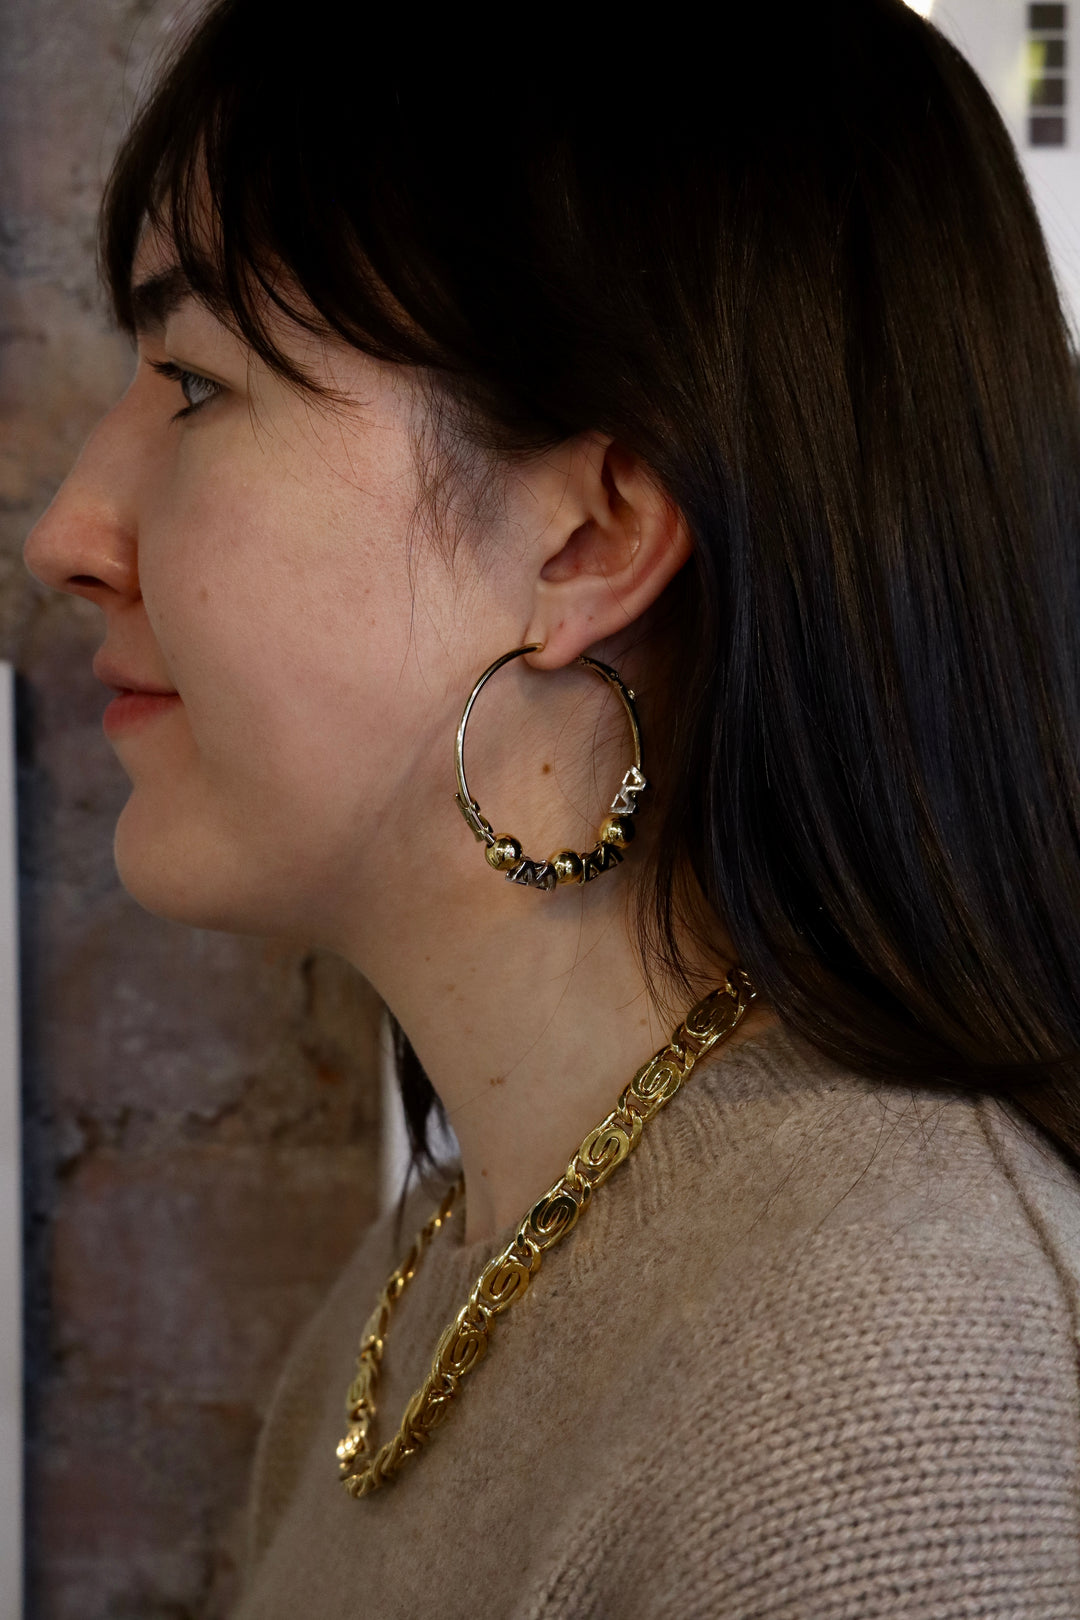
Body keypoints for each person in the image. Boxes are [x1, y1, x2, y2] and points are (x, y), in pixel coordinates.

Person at [23, 0, 1080, 1613]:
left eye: (192, 384)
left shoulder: (888, 1395)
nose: (69, 535)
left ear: (588, 541)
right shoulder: (411, 1299)